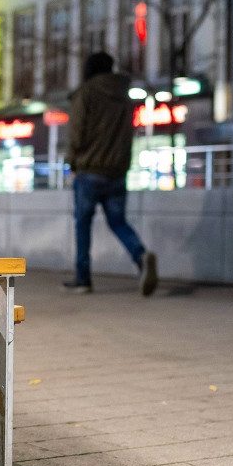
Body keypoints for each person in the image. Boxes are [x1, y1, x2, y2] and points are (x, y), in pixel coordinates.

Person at [63, 51, 158, 296]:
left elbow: (76, 133)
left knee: (83, 223)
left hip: (89, 170)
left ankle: (83, 279)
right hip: (117, 171)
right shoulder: (124, 95)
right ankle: (140, 256)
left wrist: (72, 162)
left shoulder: (86, 93)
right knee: (118, 221)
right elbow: (128, 134)